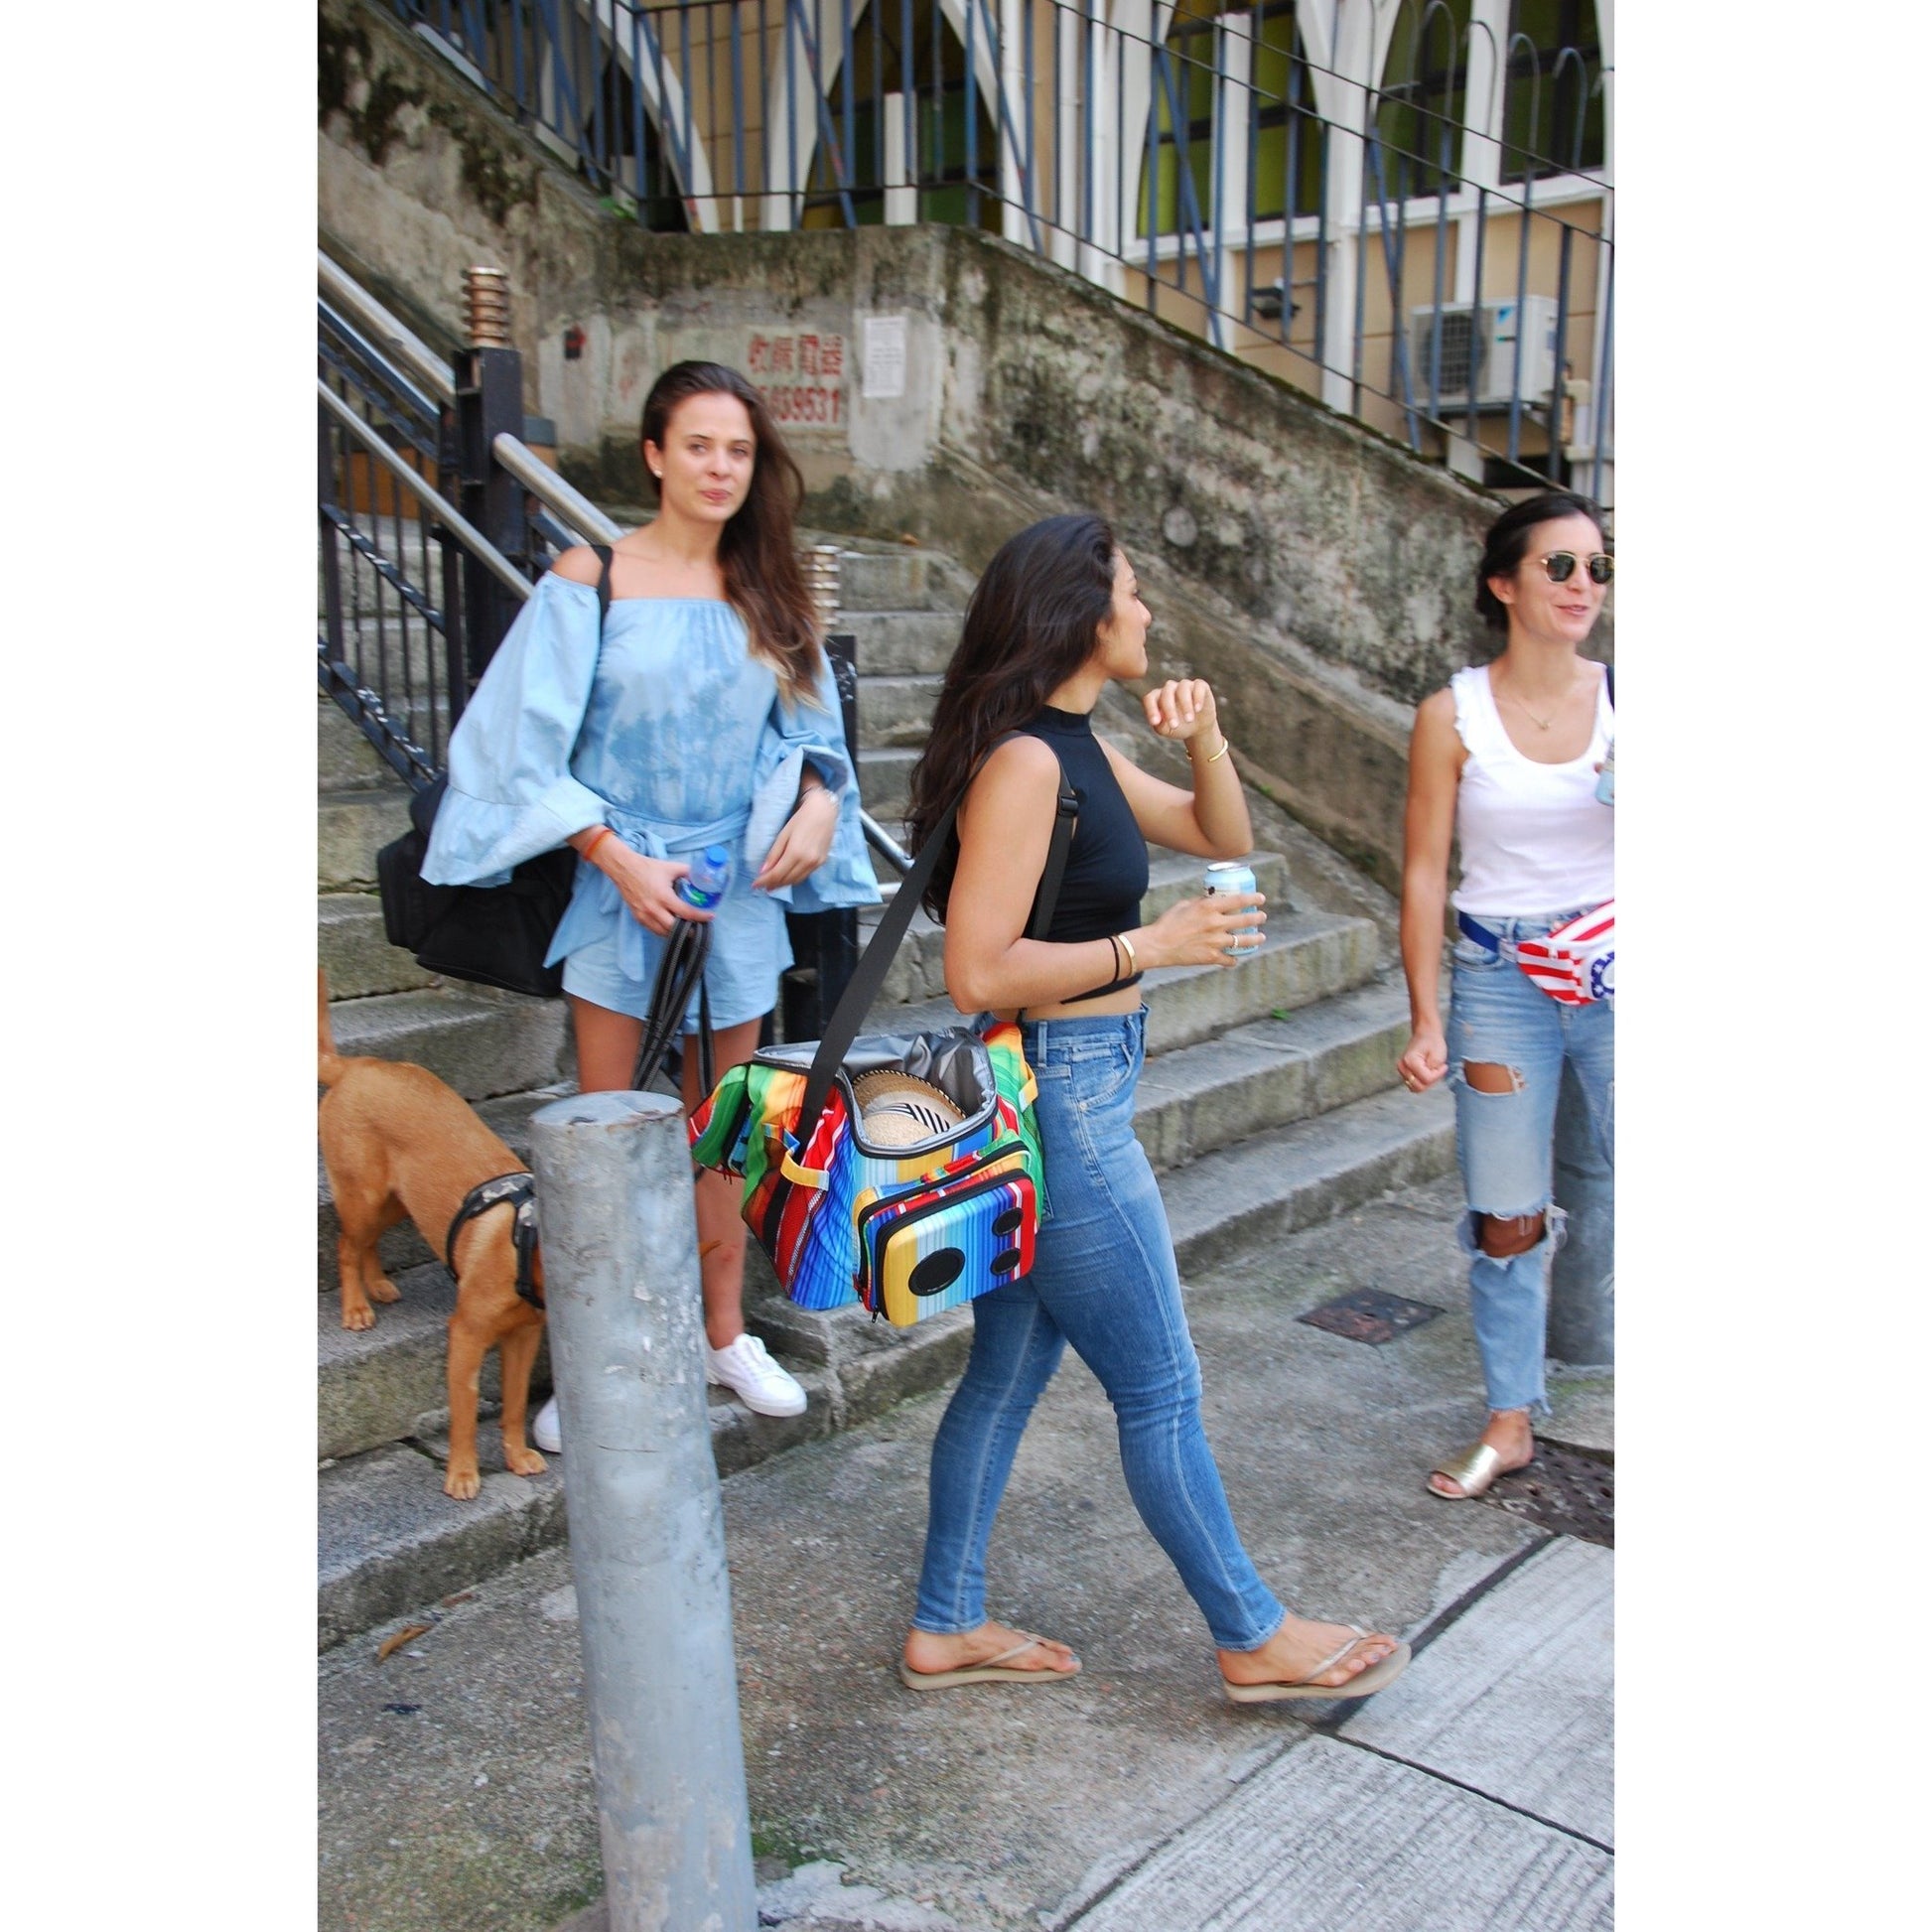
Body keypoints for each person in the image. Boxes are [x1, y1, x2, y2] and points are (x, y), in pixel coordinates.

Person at [895, 513, 1409, 1702]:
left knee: (1004, 1375)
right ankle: (1249, 1630)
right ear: (1080, 612)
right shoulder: (1026, 764)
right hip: (1064, 1102)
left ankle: (944, 1622)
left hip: (1071, 1086)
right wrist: (1154, 944)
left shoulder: (1074, 746)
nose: (1144, 613)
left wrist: (1206, 736)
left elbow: (1218, 831)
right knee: (1159, 1384)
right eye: (1130, 592)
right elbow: (976, 969)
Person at [422, 361, 878, 1440]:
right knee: (609, 1138)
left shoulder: (768, 590)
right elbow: (516, 744)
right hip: (617, 886)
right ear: (655, 455)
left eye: (739, 450)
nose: (721, 467)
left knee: (722, 1135)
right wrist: (611, 853)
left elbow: (812, 738)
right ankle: (606, 1368)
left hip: (735, 894)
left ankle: (721, 1333)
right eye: (700, 445)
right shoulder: (593, 578)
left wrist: (820, 800)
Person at [1395, 489, 1614, 1499]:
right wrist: (1424, 1016)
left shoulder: (1628, 700)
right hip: (1500, 984)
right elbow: (1422, 873)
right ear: (1504, 584)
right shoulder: (1451, 715)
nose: (1583, 584)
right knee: (1505, 1210)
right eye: (1558, 565)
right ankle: (1510, 1417)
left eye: (1597, 567)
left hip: (1616, 971)